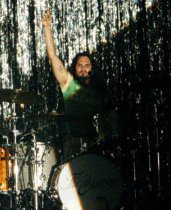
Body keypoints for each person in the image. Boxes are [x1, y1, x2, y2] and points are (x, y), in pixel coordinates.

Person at [41, 8, 115, 158]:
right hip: (74, 141)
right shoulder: (68, 82)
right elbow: (53, 56)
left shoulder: (99, 91)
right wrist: (47, 28)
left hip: (95, 142)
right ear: (74, 68)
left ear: (92, 68)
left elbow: (110, 118)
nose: (83, 68)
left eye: (87, 65)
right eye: (79, 65)